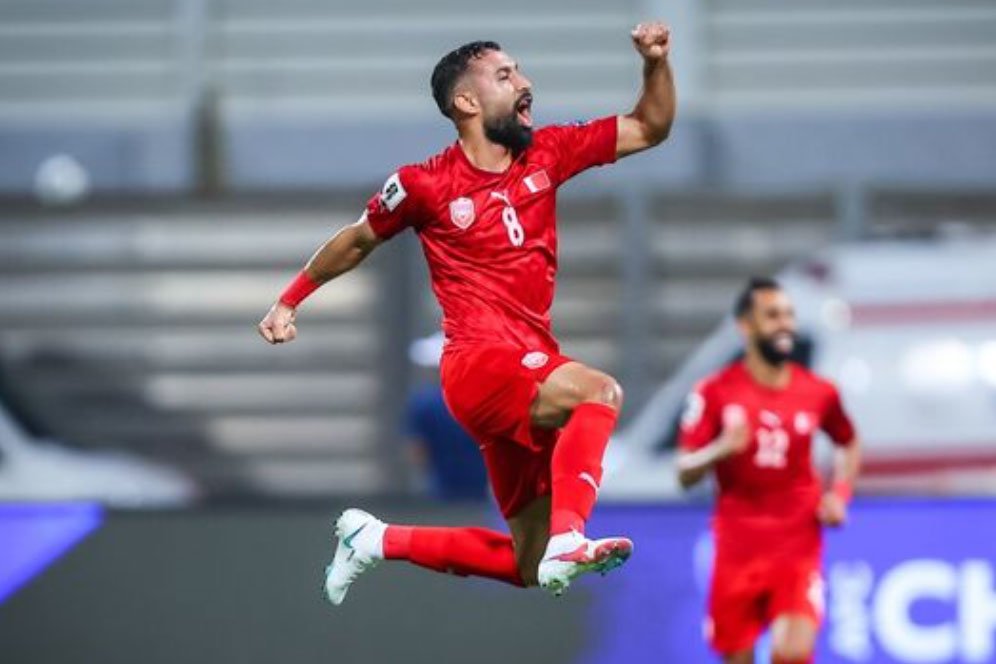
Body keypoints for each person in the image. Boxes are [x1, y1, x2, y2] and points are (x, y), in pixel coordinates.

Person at [258, 23, 676, 602]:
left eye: (521, 71)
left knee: (530, 566)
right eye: (506, 75)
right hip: (480, 363)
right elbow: (357, 239)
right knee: (598, 392)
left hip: (524, 367)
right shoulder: (424, 185)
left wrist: (655, 64)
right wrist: (289, 298)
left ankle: (376, 539)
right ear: (467, 101)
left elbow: (650, 127)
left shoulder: (549, 152)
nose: (525, 83)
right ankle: (570, 537)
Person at [676, 278, 862, 664]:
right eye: (773, 315)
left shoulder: (819, 392)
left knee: (791, 653)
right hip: (736, 548)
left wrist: (839, 493)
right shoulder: (714, 391)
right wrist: (720, 449)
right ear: (746, 326)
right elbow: (684, 471)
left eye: (789, 315)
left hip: (796, 546)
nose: (785, 325)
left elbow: (847, 440)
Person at [404, 333, 488, 501]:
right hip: (483, 488)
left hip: (441, 488)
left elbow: (417, 450)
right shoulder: (483, 397)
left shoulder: (423, 402)